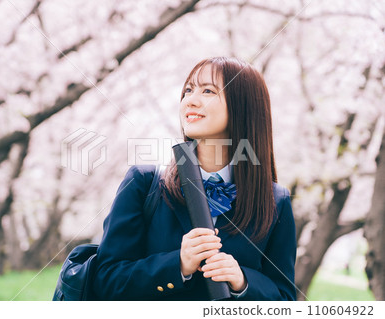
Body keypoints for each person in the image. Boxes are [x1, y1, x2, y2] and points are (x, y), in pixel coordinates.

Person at [93, 57, 297, 301]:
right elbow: (105, 279)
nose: (191, 100)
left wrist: (243, 281)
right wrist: (177, 265)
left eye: (208, 90)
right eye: (188, 90)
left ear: (243, 106)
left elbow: (286, 299)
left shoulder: (276, 201)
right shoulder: (144, 183)